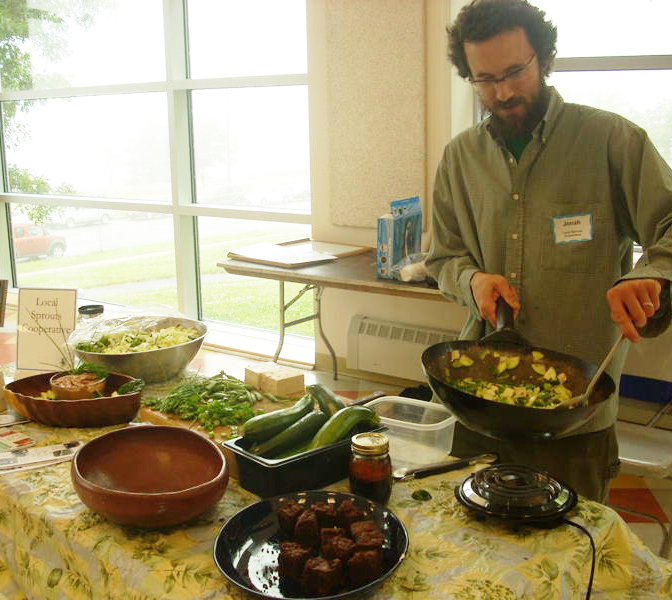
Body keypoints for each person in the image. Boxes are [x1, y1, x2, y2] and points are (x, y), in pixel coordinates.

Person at [425, 0, 672, 502]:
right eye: (485, 79)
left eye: (516, 71)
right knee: (472, 560)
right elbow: (443, 257)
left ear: (544, 57)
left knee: (571, 560)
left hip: (574, 419)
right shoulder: (459, 159)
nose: (505, 91)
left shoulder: (611, 140)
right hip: (480, 409)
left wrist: (650, 275)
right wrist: (472, 281)